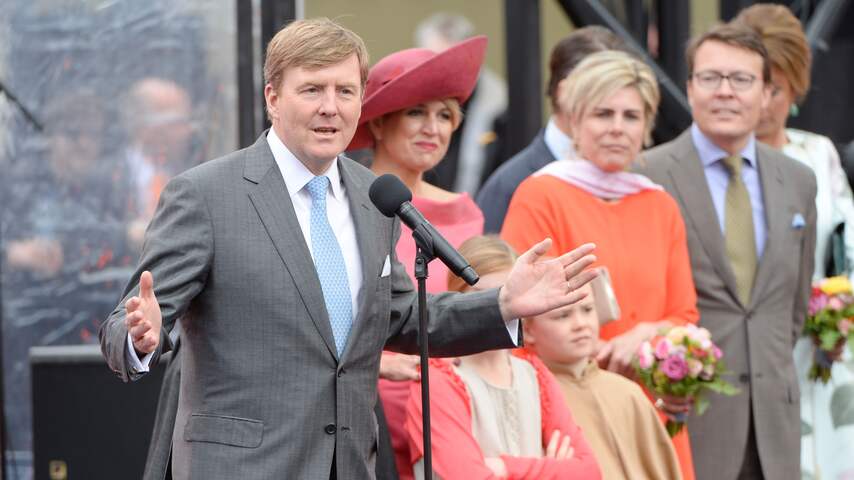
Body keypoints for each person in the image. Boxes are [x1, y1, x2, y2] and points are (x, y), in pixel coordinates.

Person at [98, 18, 598, 480]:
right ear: (273, 98)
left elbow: (403, 317)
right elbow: (130, 319)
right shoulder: (206, 195)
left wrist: (505, 303)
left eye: (345, 91)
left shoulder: (373, 197)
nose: (329, 107)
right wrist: (142, 337)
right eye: (312, 89)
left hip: (349, 463)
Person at [501, 50, 699, 480]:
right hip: (569, 407)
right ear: (574, 120)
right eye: (602, 113)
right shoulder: (541, 196)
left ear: (647, 127)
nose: (616, 127)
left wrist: (647, 335)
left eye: (631, 116)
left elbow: (684, 315)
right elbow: (516, 317)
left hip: (653, 407)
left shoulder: (660, 204)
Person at [639, 22, 817, 480]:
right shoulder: (648, 175)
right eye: (711, 78)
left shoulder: (798, 179)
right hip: (688, 418)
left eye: (741, 80)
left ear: (766, 93)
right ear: (690, 88)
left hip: (775, 424)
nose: (726, 92)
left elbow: (793, 306)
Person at [346, 36, 490, 479]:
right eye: (416, 112)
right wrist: (378, 364)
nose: (433, 128)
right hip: (365, 425)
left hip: (451, 431)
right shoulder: (345, 204)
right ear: (381, 123)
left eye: (444, 115)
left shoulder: (466, 214)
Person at [733, 5, 854, 478]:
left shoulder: (818, 153)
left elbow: (846, 241)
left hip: (826, 349)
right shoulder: (720, 163)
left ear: (796, 88)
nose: (763, 104)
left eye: (775, 90)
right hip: (756, 352)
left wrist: (841, 304)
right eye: (754, 86)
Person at [406, 236, 601, 479]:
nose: (493, 311)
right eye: (479, 298)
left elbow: (588, 471)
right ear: (454, 301)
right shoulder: (437, 381)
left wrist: (503, 467)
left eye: (504, 295)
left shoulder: (533, 373)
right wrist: (551, 470)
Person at [476, 26, 629, 233]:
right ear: (565, 93)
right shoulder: (511, 185)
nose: (617, 119)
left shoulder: (633, 182)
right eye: (601, 89)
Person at [522, 282, 682, 479]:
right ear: (528, 330)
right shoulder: (530, 399)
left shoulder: (628, 393)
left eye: (588, 309)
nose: (580, 323)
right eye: (563, 315)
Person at [413, 12, 508, 195]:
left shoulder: (498, 106)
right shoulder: (409, 96)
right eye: (431, 61)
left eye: (449, 62)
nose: (441, 72)